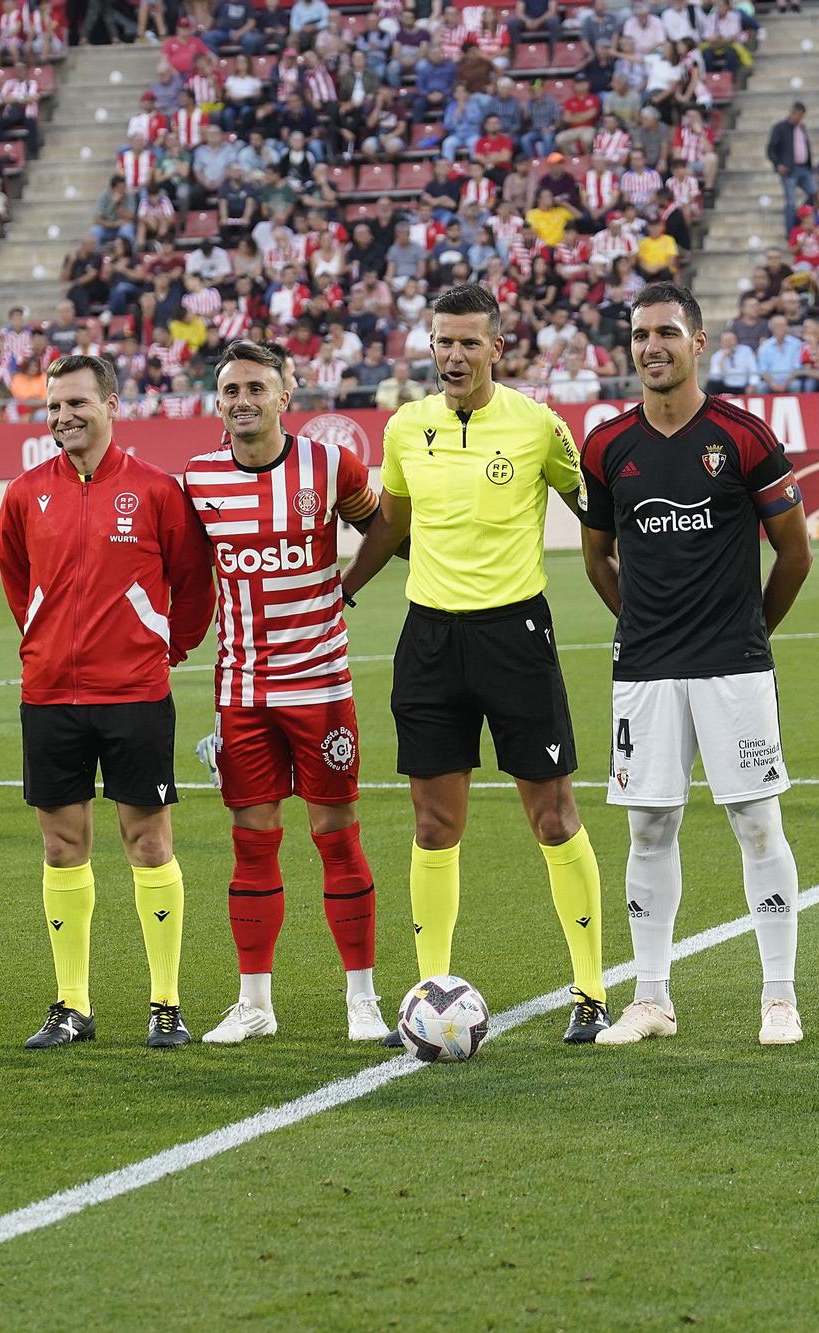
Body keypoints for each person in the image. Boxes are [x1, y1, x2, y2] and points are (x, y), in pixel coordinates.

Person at [341, 283, 610, 1045]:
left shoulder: (536, 427)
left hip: (516, 636)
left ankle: (590, 990)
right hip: (429, 640)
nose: (453, 356)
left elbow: (595, 505)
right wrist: (347, 589)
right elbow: (393, 520)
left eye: (469, 342)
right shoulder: (405, 426)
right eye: (443, 342)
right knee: (433, 822)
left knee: (553, 814)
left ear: (497, 347)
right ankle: (429, 992)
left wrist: (634, 576)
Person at [578, 283, 815, 1048]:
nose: (652, 347)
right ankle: (650, 998)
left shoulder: (743, 436)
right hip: (645, 668)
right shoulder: (607, 445)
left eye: (668, 333)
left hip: (731, 664)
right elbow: (596, 556)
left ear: (699, 342)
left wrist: (750, 630)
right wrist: (645, 625)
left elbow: (797, 553)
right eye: (641, 334)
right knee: (649, 824)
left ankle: (778, 996)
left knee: (755, 819)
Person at [0, 355, 214, 1050]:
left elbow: (194, 584)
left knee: (148, 841)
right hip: (51, 695)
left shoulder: (155, 490)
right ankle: (72, 1004)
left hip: (136, 694)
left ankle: (166, 1003)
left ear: (112, 405)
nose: (64, 416)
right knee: (63, 845)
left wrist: (164, 649)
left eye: (77, 403)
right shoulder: (25, 494)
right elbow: (16, 582)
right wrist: (44, 642)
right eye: (55, 405)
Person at [181, 341, 391, 1045]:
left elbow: (385, 525)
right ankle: (254, 1003)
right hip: (242, 691)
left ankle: (361, 997)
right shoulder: (199, 479)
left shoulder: (329, 465)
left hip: (322, 684)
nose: (242, 399)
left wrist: (348, 586)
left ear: (285, 395)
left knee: (336, 835)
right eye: (230, 388)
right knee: (252, 842)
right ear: (218, 401)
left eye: (256, 387)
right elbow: (184, 574)